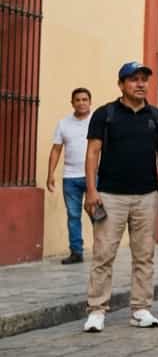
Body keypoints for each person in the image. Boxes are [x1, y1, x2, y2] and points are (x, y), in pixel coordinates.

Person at [81, 62, 158, 332]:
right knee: (103, 254)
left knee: (144, 255)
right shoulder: (105, 114)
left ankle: (141, 309)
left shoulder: (156, 116)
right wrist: (91, 190)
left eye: (143, 80)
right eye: (133, 80)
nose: (140, 84)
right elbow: (93, 152)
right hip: (110, 196)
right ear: (121, 85)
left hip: (147, 195)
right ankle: (97, 310)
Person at [47, 87, 93, 264]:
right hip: (70, 177)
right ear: (72, 103)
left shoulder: (97, 120)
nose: (81, 103)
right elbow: (56, 149)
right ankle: (76, 252)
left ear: (90, 102)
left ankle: (102, 250)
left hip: (92, 177)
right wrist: (51, 173)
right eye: (78, 100)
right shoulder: (63, 123)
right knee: (73, 215)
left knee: (97, 214)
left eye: (84, 99)